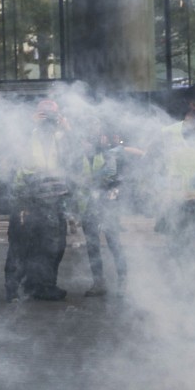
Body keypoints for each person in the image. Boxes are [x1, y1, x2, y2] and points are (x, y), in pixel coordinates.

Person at [4, 99, 72, 302]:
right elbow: (11, 152)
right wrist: (28, 126)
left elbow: (77, 155)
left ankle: (42, 286)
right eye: (45, 116)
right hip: (27, 200)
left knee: (53, 246)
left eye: (52, 117)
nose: (48, 122)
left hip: (55, 200)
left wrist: (68, 130)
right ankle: (13, 288)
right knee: (21, 245)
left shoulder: (61, 137)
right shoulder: (26, 135)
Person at [148, 84, 195, 259]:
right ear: (193, 105)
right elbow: (152, 164)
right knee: (182, 252)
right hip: (180, 204)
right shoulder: (169, 134)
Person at [75, 118, 127, 297]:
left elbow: (111, 173)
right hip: (88, 207)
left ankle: (123, 282)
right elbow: (75, 180)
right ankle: (98, 283)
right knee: (92, 246)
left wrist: (91, 181)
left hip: (107, 206)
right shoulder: (80, 157)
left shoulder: (107, 153)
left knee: (114, 243)